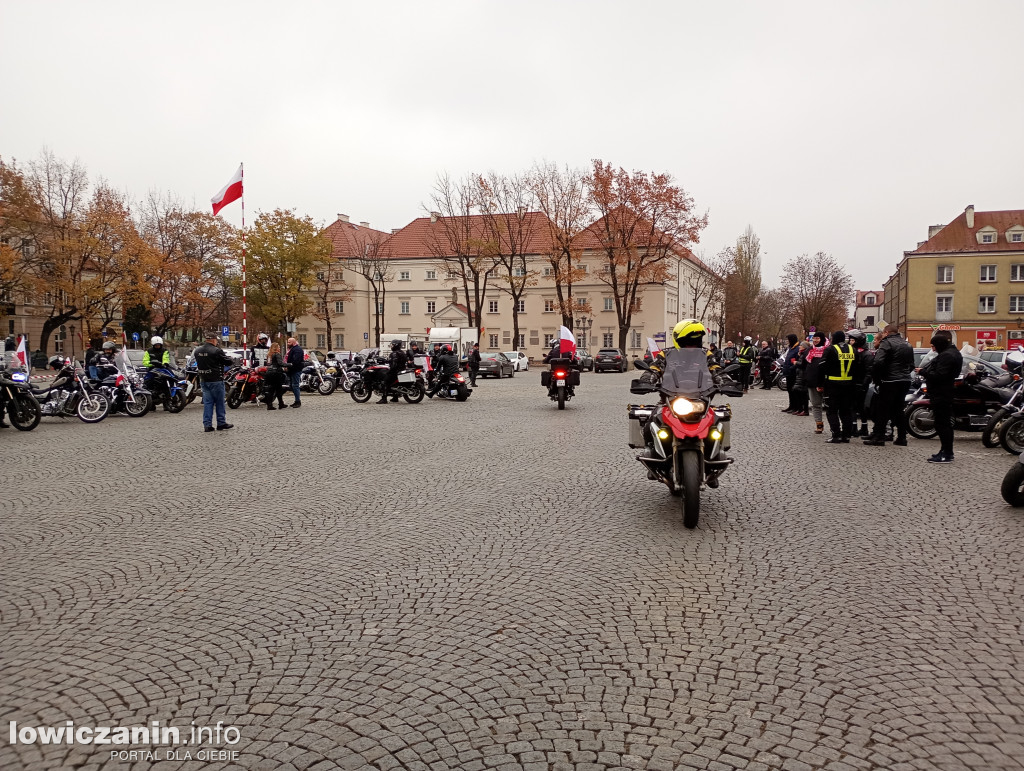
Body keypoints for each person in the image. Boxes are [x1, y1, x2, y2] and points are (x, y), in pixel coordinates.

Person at [864, 323, 915, 447]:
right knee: (899, 409)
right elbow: (912, 365)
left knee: (883, 410)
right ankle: (902, 437)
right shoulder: (907, 344)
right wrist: (904, 374)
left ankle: (879, 437)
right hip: (904, 380)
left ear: (886, 332)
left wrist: (877, 379)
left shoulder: (886, 343)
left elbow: (878, 362)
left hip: (889, 381)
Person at [920, 332, 962, 463]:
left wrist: (923, 372)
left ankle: (947, 454)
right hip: (943, 392)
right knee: (943, 424)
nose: (933, 349)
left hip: (941, 393)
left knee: (942, 425)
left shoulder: (947, 356)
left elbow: (939, 375)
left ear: (939, 344)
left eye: (933, 346)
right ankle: (945, 450)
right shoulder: (952, 353)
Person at [817, 330, 863, 444]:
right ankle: (846, 436)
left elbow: (822, 366)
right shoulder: (853, 350)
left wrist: (820, 383)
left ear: (835, 338)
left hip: (833, 385)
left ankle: (836, 435)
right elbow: (859, 367)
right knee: (846, 411)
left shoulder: (831, 349)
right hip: (849, 386)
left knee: (832, 411)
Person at [193, 331, 234, 433]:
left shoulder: (197, 351)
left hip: (204, 380)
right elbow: (227, 361)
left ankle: (207, 425)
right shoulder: (216, 351)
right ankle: (221, 423)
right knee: (220, 402)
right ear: (214, 340)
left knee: (208, 403)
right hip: (216, 380)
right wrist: (231, 359)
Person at [846, 329, 873, 438]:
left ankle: (863, 428)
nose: (850, 342)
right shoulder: (852, 352)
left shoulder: (866, 354)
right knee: (853, 406)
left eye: (852, 340)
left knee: (860, 407)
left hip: (860, 384)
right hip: (853, 382)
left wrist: (864, 385)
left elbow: (869, 371)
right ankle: (854, 427)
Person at [803, 331, 829, 434]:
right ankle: (819, 425)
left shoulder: (828, 350)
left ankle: (835, 427)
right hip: (812, 381)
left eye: (817, 338)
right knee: (816, 404)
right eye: (814, 338)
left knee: (830, 405)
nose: (815, 340)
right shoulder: (810, 350)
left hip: (826, 382)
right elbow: (804, 363)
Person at [379, 339, 408, 404]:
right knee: (394, 384)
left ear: (396, 345)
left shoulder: (394, 353)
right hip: (401, 370)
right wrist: (388, 361)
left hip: (396, 371)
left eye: (392, 345)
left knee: (384, 382)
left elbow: (394, 365)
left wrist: (389, 371)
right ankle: (395, 397)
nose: (391, 346)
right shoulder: (402, 352)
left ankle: (384, 399)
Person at [263, 342, 287, 410]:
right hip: (276, 372)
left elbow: (268, 363)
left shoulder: (269, 354)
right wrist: (289, 365)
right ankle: (281, 404)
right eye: (278, 347)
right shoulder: (277, 354)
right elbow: (280, 363)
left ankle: (269, 404)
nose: (279, 348)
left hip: (269, 372)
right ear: (276, 348)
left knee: (270, 389)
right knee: (278, 389)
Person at [781, 334, 801, 413]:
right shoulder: (791, 348)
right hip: (788, 372)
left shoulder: (797, 348)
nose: (787, 341)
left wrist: (791, 368)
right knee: (789, 390)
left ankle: (795, 407)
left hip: (793, 373)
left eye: (788, 340)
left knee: (793, 391)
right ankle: (791, 406)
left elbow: (797, 361)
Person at [790, 340, 811, 415]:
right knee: (797, 392)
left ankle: (804, 410)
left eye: (801, 346)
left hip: (803, 376)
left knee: (802, 393)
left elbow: (803, 364)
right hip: (800, 375)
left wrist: (795, 362)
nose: (799, 346)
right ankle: (800, 409)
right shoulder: (801, 353)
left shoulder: (806, 353)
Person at [285, 337, 304, 407]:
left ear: (293, 343)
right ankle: (296, 400)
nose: (288, 343)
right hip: (293, 369)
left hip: (295, 369)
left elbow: (296, 361)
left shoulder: (297, 349)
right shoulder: (293, 349)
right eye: (288, 342)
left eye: (289, 342)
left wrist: (289, 365)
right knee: (293, 385)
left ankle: (298, 401)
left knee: (295, 385)